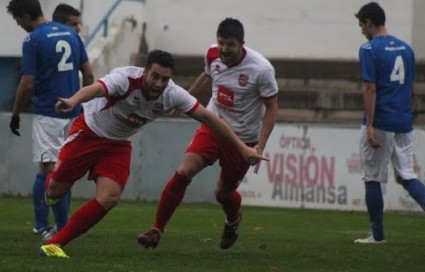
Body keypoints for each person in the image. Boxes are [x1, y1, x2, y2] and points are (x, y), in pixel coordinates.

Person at [38, 49, 267, 258]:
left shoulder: (172, 94)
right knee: (55, 191)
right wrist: (73, 100)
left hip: (117, 145)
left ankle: (55, 244)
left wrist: (242, 148)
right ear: (145, 71)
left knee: (110, 197)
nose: (159, 83)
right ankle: (51, 186)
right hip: (88, 132)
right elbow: (96, 88)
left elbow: (209, 118)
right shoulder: (125, 78)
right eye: (155, 77)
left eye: (164, 79)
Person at [137, 18, 278, 250]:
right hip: (213, 126)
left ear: (242, 44)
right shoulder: (212, 55)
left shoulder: (261, 69)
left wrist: (260, 146)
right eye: (221, 42)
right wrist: (183, 100)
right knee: (184, 172)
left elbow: (272, 107)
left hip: (243, 138)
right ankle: (156, 229)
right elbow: (207, 76)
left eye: (230, 44)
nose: (224, 49)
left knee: (223, 193)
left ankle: (233, 220)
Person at [353, 2, 425, 245]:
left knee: (373, 177)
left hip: (381, 119)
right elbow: (412, 88)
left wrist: (371, 124)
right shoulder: (407, 49)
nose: (362, 30)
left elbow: (370, 87)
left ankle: (378, 236)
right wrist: (407, 116)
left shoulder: (369, 49)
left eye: (362, 25)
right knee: (406, 174)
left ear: (370, 23)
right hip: (403, 120)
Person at [6, 0, 94, 240]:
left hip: (49, 112)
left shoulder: (33, 39)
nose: (19, 25)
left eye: (17, 20)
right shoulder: (71, 34)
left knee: (47, 169)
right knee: (64, 170)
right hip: (74, 111)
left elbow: (26, 82)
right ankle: (59, 227)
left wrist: (15, 113)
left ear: (25, 16)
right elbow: (88, 74)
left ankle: (47, 227)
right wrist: (83, 105)